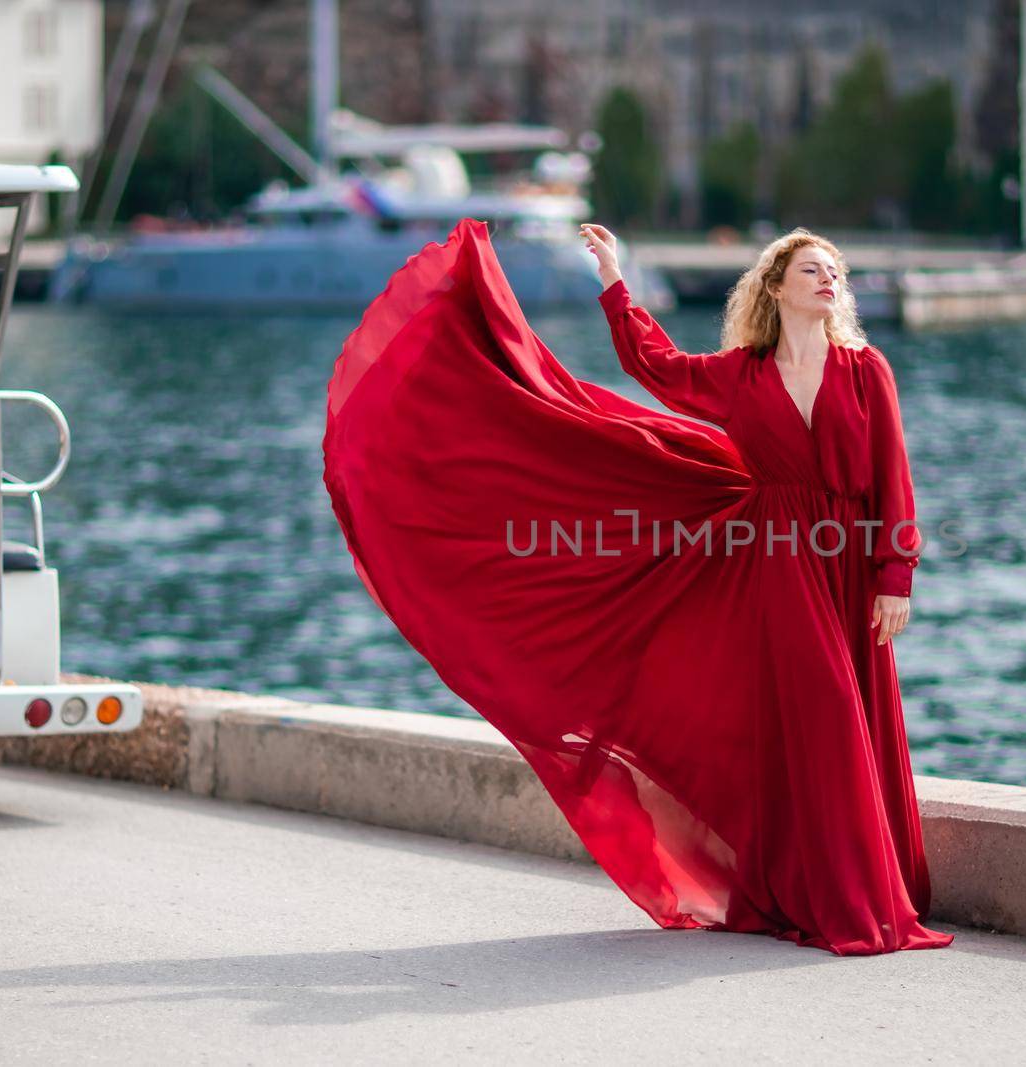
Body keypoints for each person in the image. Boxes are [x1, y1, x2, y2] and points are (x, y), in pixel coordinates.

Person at [323, 217, 953, 956]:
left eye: (833, 270)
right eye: (811, 269)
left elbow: (894, 480)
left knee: (843, 717)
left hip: (847, 558)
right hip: (779, 567)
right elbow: (656, 366)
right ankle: (849, 900)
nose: (828, 279)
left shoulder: (866, 369)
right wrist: (615, 281)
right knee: (824, 709)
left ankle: (838, 889)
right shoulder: (741, 373)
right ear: (776, 287)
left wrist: (895, 574)